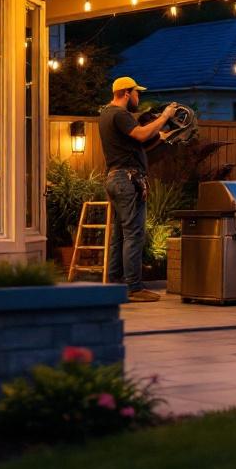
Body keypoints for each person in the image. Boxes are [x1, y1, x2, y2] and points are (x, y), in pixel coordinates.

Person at [97, 76, 177, 302]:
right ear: (126, 93)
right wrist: (165, 116)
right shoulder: (119, 114)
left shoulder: (105, 115)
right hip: (127, 180)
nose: (138, 97)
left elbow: (136, 143)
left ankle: (113, 284)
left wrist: (159, 136)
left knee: (120, 235)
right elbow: (140, 134)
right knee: (134, 234)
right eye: (136, 93)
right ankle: (133, 287)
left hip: (115, 179)